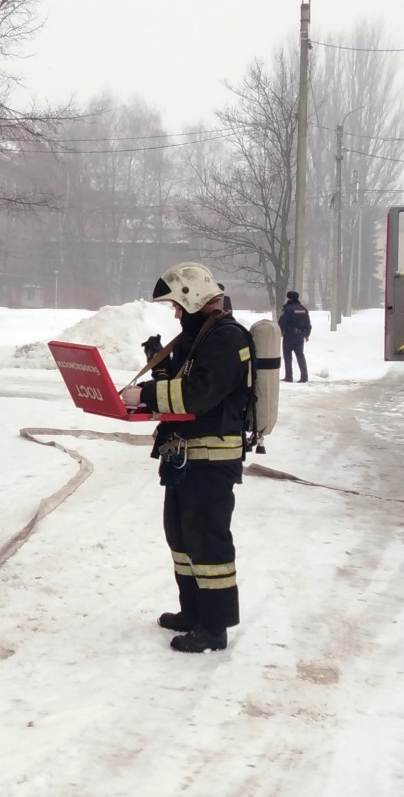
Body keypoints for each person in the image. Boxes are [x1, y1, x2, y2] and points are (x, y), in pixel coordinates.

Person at [120, 262, 253, 653]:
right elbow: (177, 383)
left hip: (211, 460)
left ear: (194, 298)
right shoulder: (198, 336)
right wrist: (155, 372)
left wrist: (145, 397)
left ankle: (214, 627)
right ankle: (192, 611)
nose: (176, 313)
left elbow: (198, 394)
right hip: (185, 457)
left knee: (208, 544)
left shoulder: (228, 339)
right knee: (181, 539)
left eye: (178, 305)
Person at [277, 291, 312, 382]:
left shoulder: (287, 309)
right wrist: (306, 334)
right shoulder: (303, 309)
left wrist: (280, 332)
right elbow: (307, 323)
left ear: (289, 298)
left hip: (289, 335)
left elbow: (282, 322)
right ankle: (304, 377)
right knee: (300, 356)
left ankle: (289, 377)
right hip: (300, 335)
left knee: (288, 356)